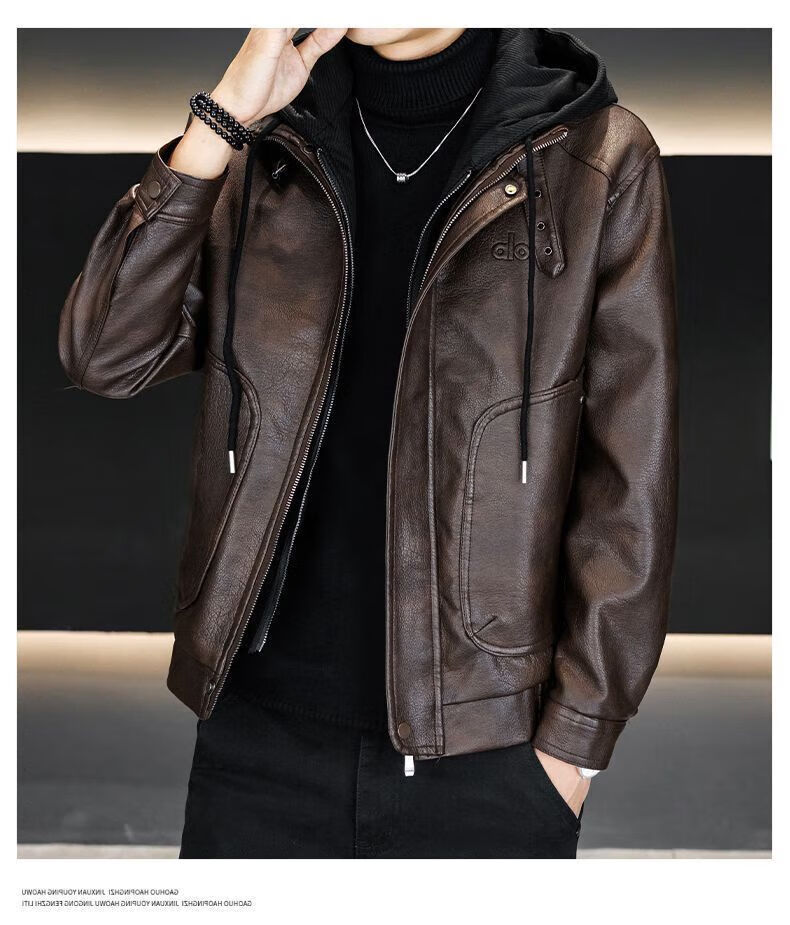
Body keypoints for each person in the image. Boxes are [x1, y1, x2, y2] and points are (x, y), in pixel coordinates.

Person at [59, 27, 678, 859]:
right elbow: (105, 353)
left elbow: (630, 481)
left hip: (486, 752)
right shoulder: (268, 144)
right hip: (258, 744)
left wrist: (573, 746)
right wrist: (225, 115)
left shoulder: (595, 154)